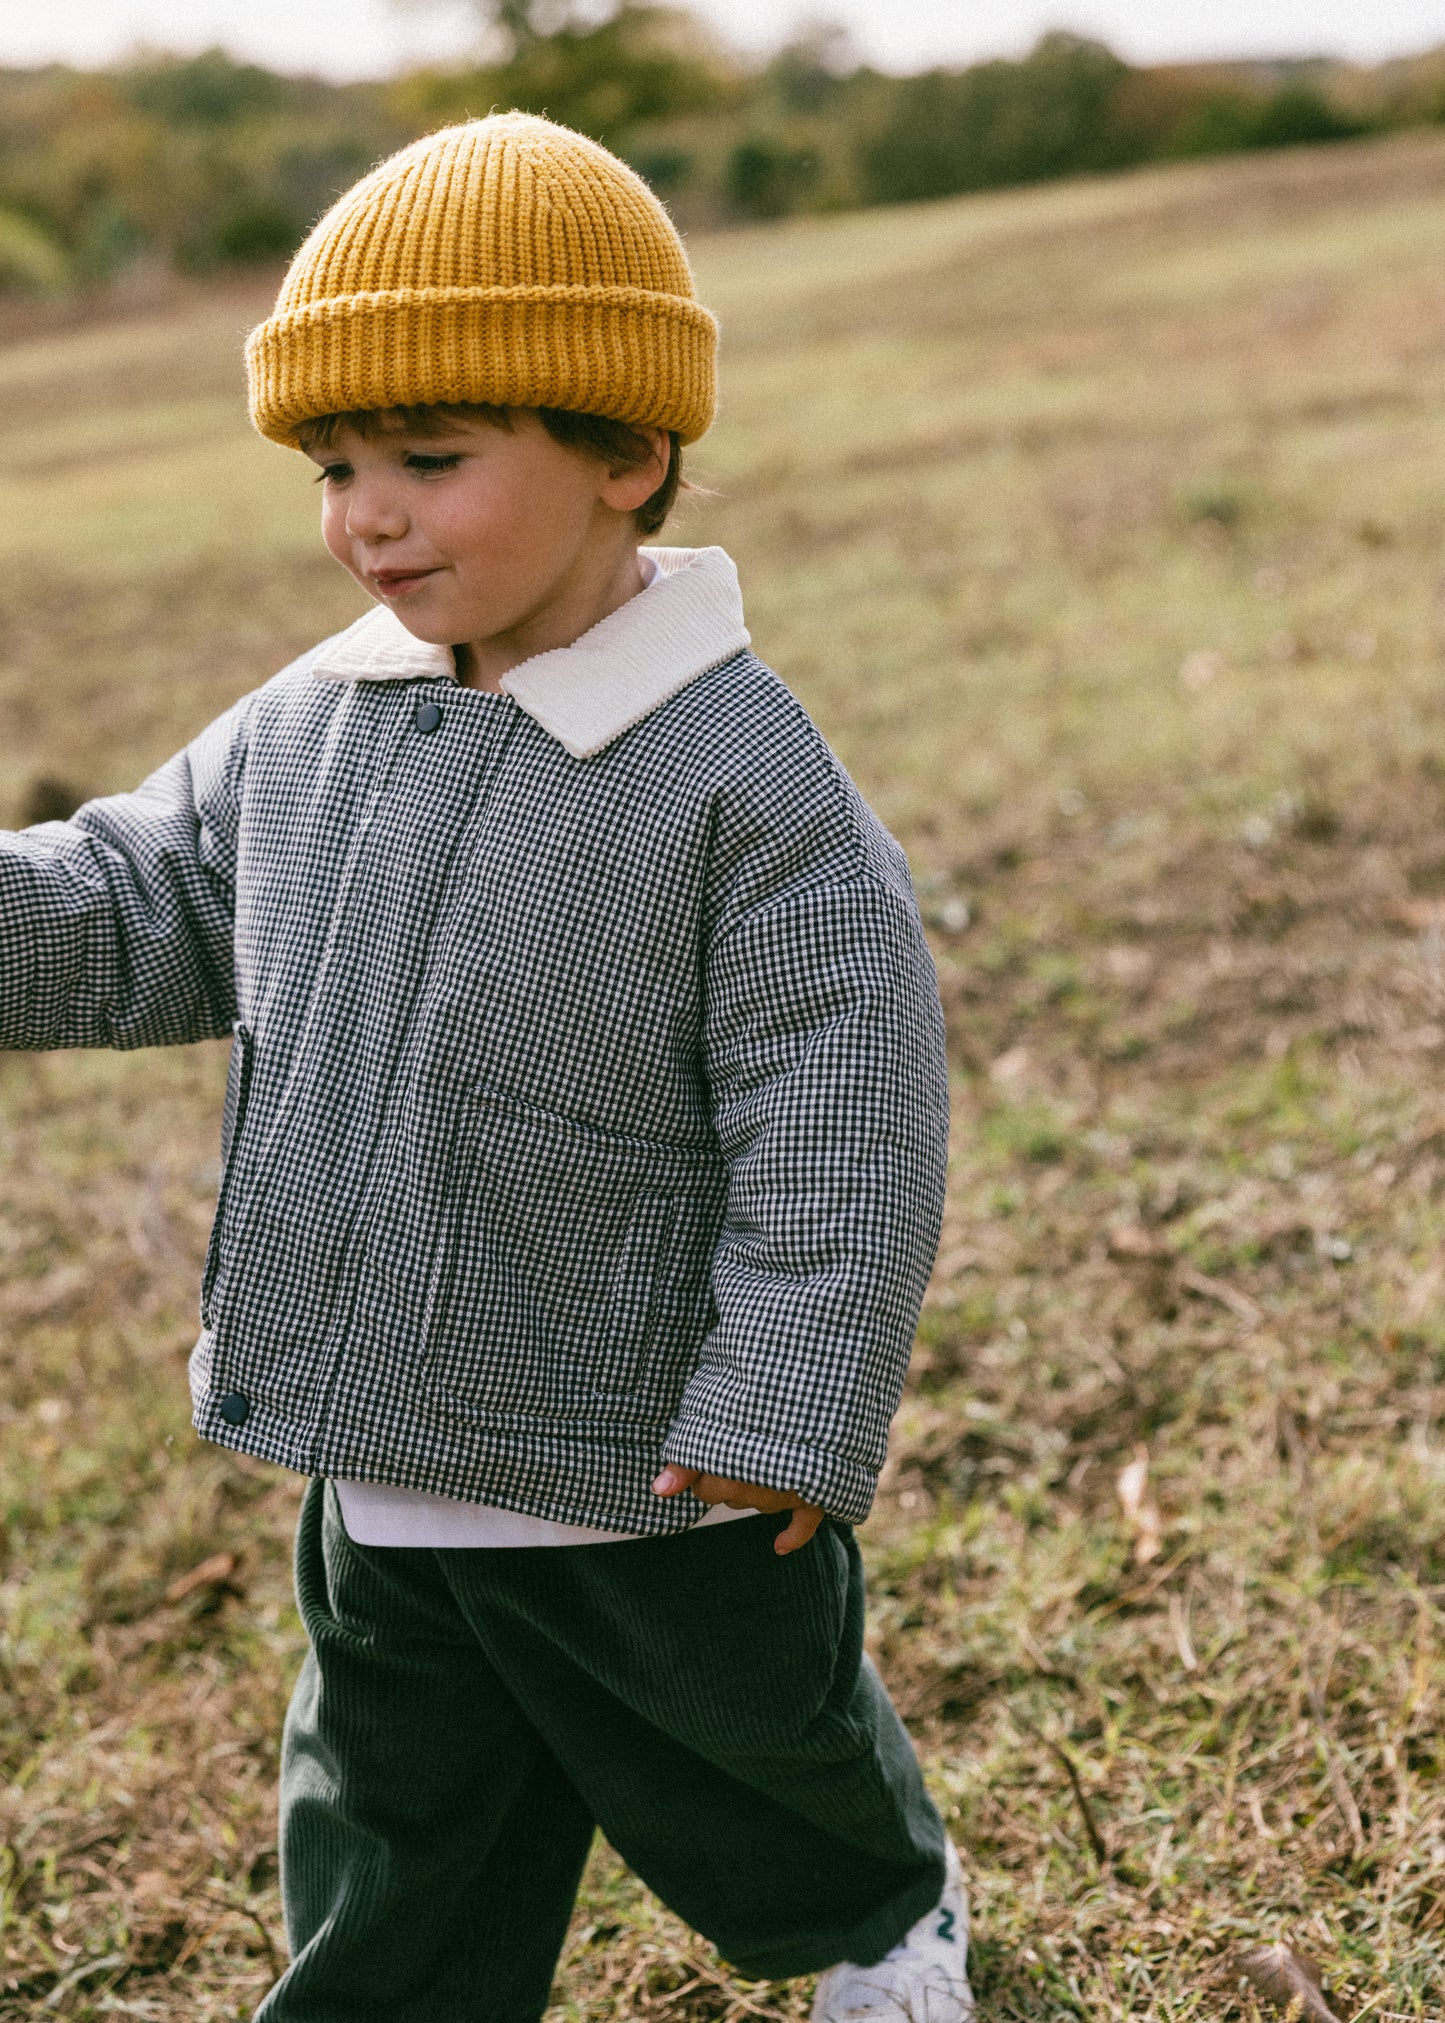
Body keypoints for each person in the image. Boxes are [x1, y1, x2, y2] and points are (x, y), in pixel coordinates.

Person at [1, 113, 972, 2022]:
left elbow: (841, 1119)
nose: (368, 518)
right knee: (394, 1814)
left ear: (627, 455)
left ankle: (878, 1917)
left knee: (744, 1753)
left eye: (431, 461)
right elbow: (136, 902)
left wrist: (786, 1396)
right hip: (375, 1432)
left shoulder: (738, 778)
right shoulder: (311, 722)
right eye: (336, 468)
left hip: (649, 1462)